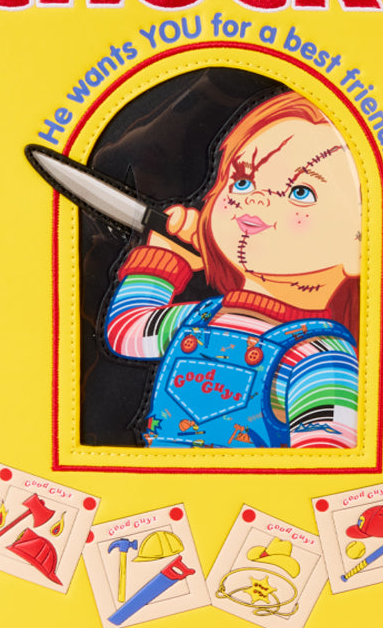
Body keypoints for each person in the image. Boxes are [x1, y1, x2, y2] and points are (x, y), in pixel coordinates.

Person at [105, 91, 362, 449]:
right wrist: (165, 257)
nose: (255, 199)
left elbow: (326, 463)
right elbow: (127, 331)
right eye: (242, 181)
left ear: (360, 249)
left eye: (301, 192)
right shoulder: (200, 319)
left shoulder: (320, 357)